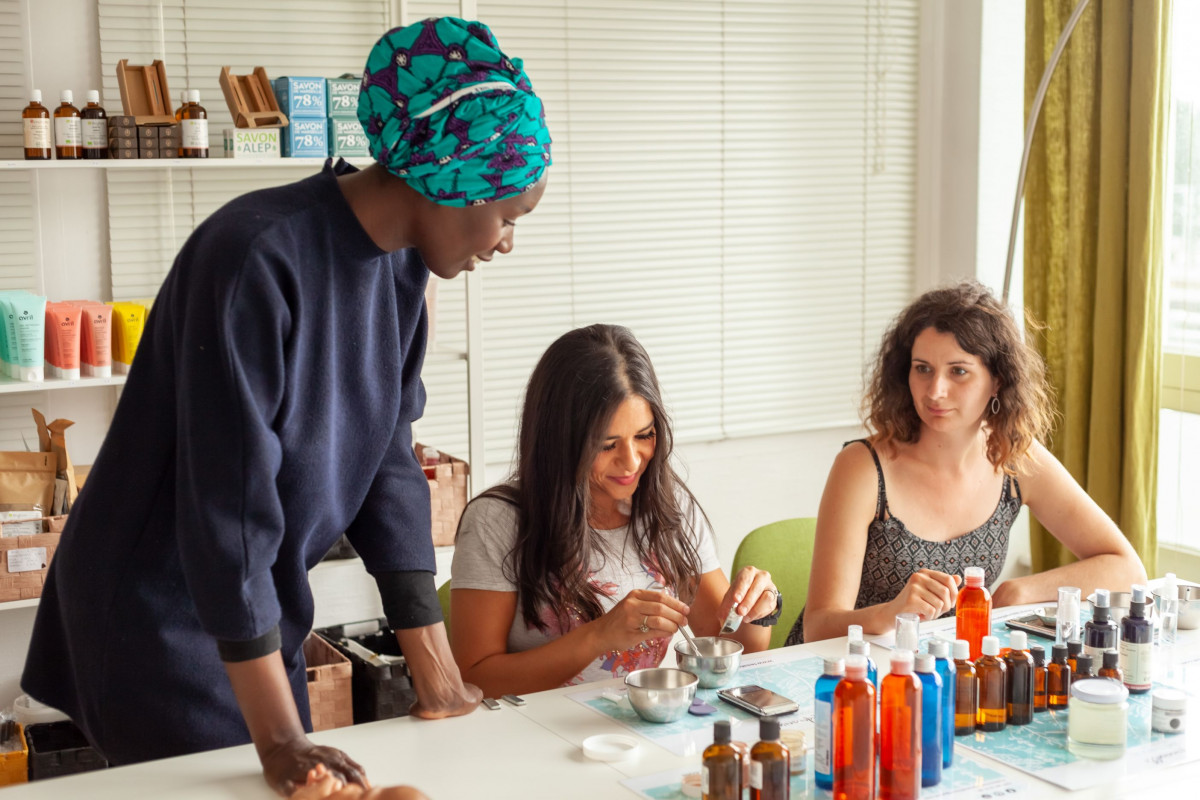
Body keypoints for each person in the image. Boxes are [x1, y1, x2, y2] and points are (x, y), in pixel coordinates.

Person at [21, 16, 551, 796]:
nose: (505, 242)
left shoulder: (402, 277)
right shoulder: (255, 257)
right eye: (508, 215)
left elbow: (388, 467)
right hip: (157, 619)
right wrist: (278, 738)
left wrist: (434, 671)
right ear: (452, 175)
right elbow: (226, 510)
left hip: (250, 607)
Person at [792, 281, 1146, 645]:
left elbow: (1125, 567)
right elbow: (817, 627)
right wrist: (892, 613)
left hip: (945, 670)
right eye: (922, 369)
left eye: (958, 371)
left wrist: (1018, 592)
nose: (935, 391)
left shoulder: (1016, 460)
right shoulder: (862, 467)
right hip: (847, 675)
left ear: (997, 380)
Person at [449, 324, 783, 697]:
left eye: (644, 435)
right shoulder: (498, 522)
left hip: (636, 729)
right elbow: (473, 679)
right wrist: (598, 636)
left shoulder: (668, 507)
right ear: (559, 441)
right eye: (607, 445)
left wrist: (761, 606)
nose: (631, 462)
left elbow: (729, 642)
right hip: (534, 735)